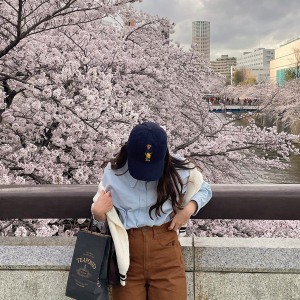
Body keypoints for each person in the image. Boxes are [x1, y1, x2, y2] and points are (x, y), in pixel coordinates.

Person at [92, 122, 212, 300]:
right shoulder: (113, 172)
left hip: (166, 252)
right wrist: (98, 215)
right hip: (127, 254)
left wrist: (188, 209)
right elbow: (105, 218)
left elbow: (205, 189)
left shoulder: (178, 169)